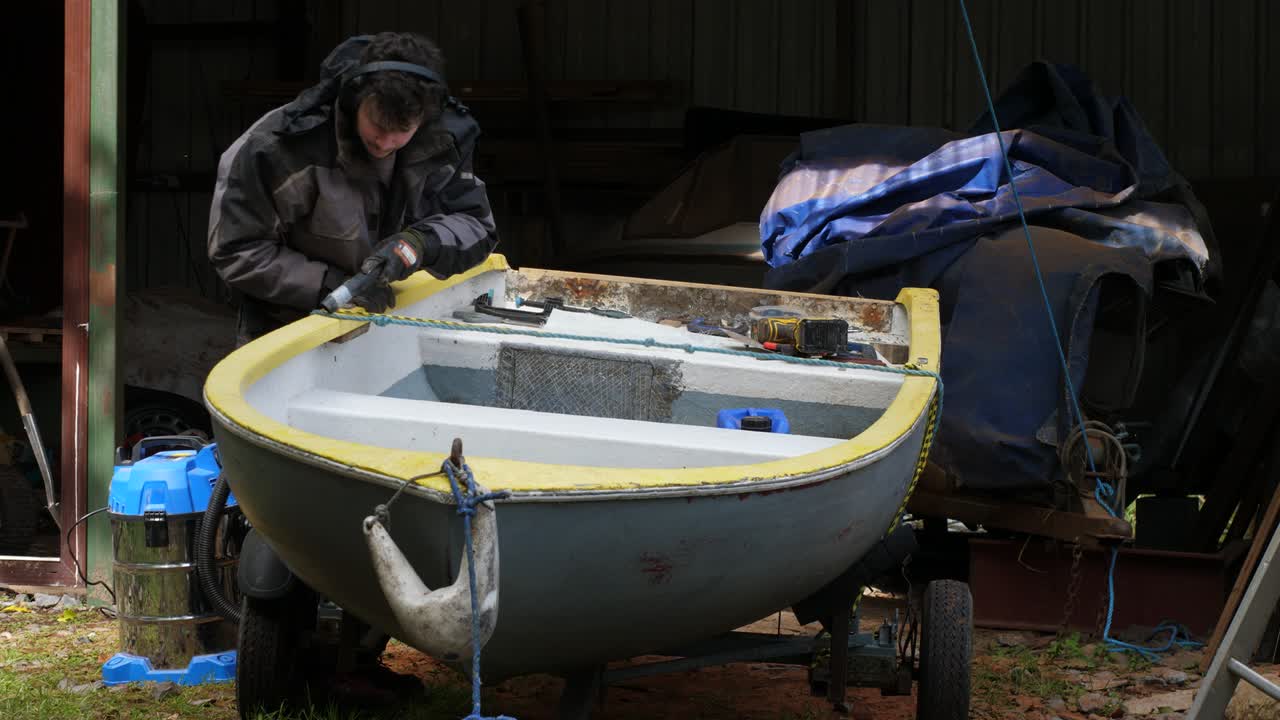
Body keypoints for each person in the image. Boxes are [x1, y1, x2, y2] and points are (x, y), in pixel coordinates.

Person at [208, 32, 499, 345]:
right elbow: (235, 250)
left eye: (401, 130)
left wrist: (418, 244)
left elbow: (476, 225)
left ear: (424, 118)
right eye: (377, 123)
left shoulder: (443, 142)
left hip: (386, 326)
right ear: (355, 98)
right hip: (288, 329)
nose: (385, 142)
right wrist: (330, 283)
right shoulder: (276, 148)